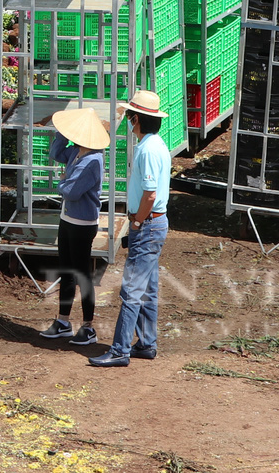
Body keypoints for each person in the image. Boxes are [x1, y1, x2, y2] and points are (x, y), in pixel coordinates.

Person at [89, 90, 172, 368]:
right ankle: (146, 344)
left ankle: (120, 349)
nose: (127, 120)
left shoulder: (147, 149)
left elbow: (149, 194)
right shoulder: (156, 144)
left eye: (128, 116)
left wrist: (136, 222)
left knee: (131, 290)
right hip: (153, 223)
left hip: (147, 224)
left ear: (136, 119)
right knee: (147, 289)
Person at [37, 105, 109, 348]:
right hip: (68, 220)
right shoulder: (77, 151)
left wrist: (62, 183)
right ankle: (63, 321)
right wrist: (62, 134)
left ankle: (88, 326)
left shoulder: (92, 160)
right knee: (67, 271)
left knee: (82, 275)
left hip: (82, 224)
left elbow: (71, 191)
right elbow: (55, 153)